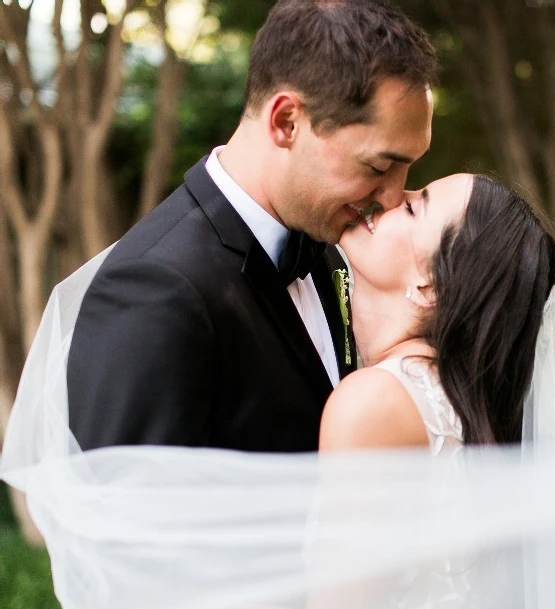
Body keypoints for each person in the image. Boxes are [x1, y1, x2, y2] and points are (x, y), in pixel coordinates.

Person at [65, 0, 436, 453]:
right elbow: (125, 512)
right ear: (286, 122)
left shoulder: (324, 242)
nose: (395, 197)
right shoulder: (155, 290)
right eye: (379, 166)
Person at [319, 173, 555, 453]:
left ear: (430, 288)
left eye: (411, 210)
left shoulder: (374, 401)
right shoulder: (455, 404)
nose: (392, 198)